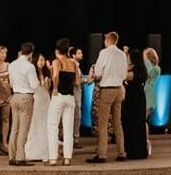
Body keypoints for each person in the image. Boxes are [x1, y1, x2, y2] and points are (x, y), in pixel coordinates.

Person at [88, 31, 129, 163]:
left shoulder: (104, 53)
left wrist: (96, 75)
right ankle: (121, 152)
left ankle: (102, 154)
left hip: (107, 89)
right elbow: (124, 74)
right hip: (118, 88)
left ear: (107, 41)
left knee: (103, 123)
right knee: (118, 122)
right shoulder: (122, 54)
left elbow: (98, 72)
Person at [7, 42, 42, 164]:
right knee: (23, 129)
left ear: (21, 51)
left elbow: (11, 83)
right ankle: (20, 157)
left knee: (14, 128)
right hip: (25, 97)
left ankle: (11, 156)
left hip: (15, 96)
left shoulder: (11, 65)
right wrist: (38, 83)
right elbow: (34, 85)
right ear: (31, 53)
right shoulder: (29, 66)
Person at [47, 37, 79, 165]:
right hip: (70, 98)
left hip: (58, 95)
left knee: (53, 126)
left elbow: (55, 76)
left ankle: (53, 158)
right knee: (68, 128)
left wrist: (54, 88)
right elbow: (77, 82)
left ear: (57, 50)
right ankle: (67, 158)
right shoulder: (73, 63)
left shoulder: (56, 61)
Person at [123, 47, 154, 160]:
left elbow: (123, 76)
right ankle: (141, 150)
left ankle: (133, 151)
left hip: (133, 97)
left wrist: (126, 67)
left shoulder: (133, 71)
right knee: (139, 122)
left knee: (132, 122)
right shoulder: (142, 70)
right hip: (140, 96)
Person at [0, 44, 14, 155]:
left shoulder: (8, 65)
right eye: (2, 53)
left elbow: (12, 80)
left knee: (5, 119)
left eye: (5, 53)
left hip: (7, 96)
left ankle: (5, 143)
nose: (4, 55)